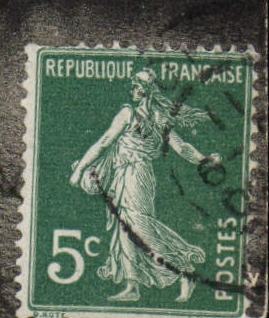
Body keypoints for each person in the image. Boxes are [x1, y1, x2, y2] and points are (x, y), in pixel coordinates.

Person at [69, 68, 218, 304]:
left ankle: (184, 270)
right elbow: (105, 142)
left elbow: (180, 147)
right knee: (125, 229)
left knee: (140, 227)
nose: (132, 90)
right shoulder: (135, 114)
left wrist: (203, 160)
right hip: (123, 176)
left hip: (138, 176)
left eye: (137, 86)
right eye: (132, 86)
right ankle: (132, 285)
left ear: (147, 90)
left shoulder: (147, 117)